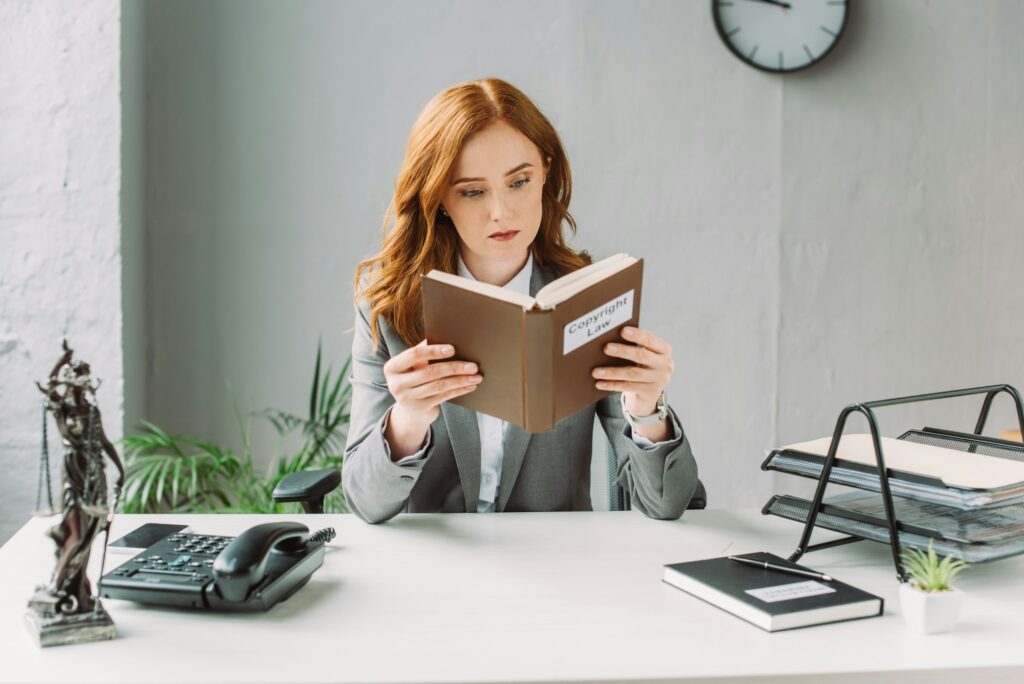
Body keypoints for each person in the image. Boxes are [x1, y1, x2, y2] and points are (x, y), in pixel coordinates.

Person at [342, 78, 698, 523]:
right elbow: (363, 504)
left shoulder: (587, 298)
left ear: (545, 172)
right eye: (472, 191)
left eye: (519, 182)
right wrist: (408, 419)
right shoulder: (391, 307)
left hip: (555, 567)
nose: (501, 212)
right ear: (439, 200)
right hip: (435, 568)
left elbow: (666, 503)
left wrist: (648, 408)